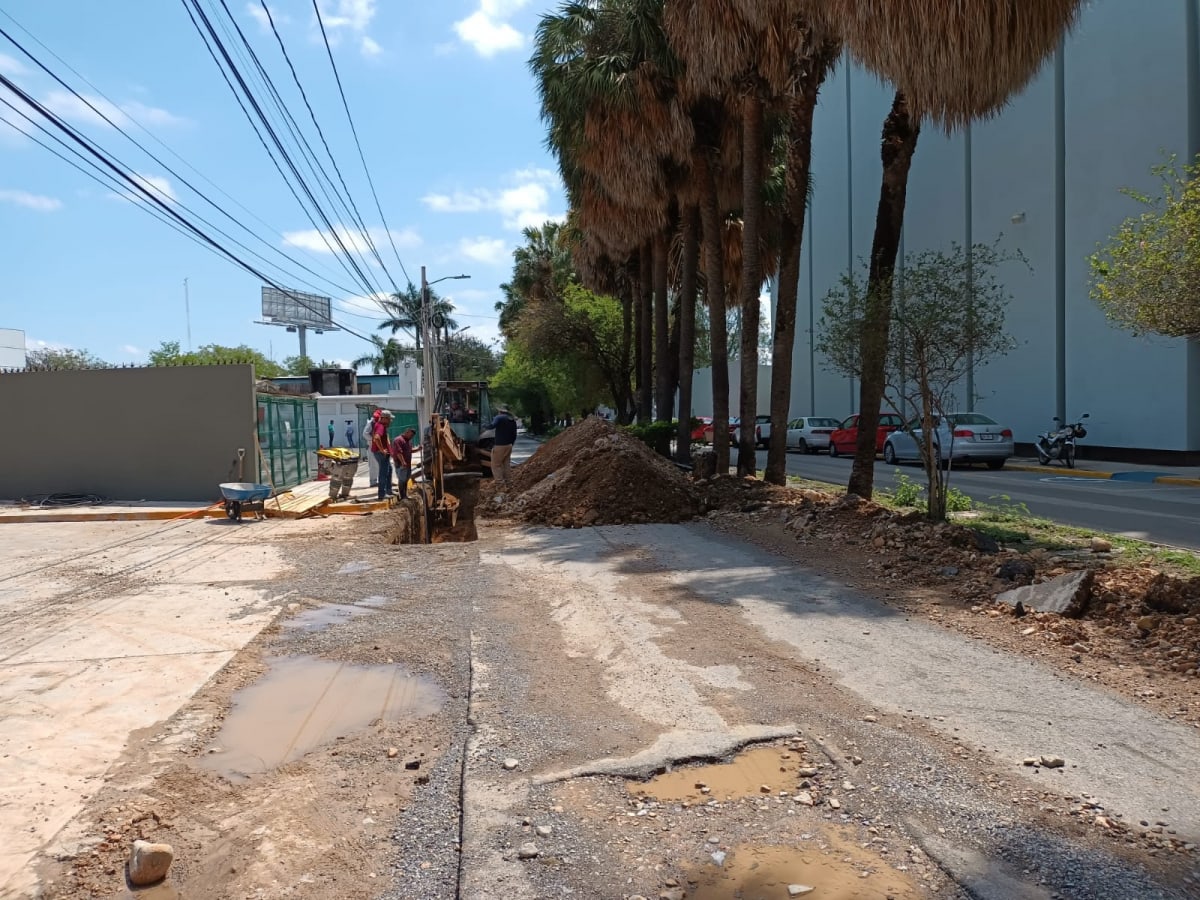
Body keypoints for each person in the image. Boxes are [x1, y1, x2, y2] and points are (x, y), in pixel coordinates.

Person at [490, 406, 517, 486]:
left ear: (500, 411)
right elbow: (514, 434)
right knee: (506, 464)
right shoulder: (512, 419)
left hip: (499, 445)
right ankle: (508, 482)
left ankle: (500, 483)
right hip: (509, 445)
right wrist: (511, 444)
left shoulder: (499, 417)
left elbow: (492, 425)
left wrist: (485, 426)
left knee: (496, 464)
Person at [371, 410, 394, 500]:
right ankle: (382, 494)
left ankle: (388, 490)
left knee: (389, 470)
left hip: (380, 452)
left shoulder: (380, 425)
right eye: (389, 419)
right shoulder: (380, 426)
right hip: (380, 453)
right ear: (384, 418)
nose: (390, 421)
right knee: (383, 473)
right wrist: (382, 450)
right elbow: (376, 438)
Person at [390, 426, 416, 500]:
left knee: (406, 479)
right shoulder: (398, 440)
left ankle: (405, 495)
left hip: (407, 464)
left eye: (412, 436)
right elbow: (398, 452)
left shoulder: (408, 441)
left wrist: (418, 449)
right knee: (402, 480)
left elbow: (410, 451)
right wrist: (403, 462)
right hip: (401, 464)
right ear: (407, 432)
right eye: (411, 435)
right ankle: (402, 496)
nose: (411, 437)